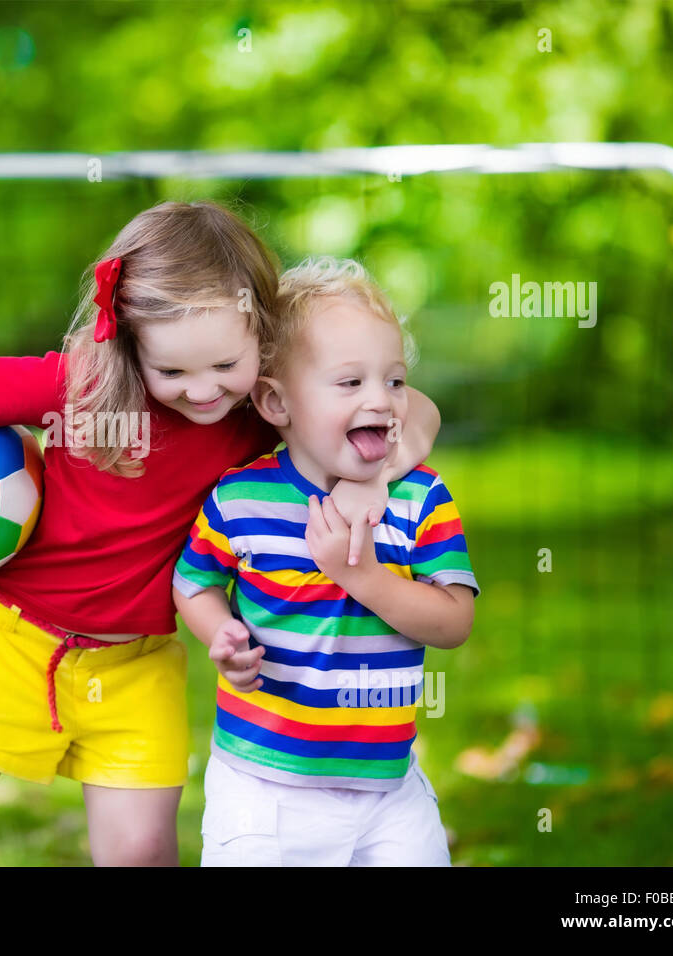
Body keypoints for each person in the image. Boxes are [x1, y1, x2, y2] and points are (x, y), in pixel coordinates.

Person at [0, 204, 441, 866]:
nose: (203, 390)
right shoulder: (80, 386)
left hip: (137, 668)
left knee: (140, 854)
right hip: (5, 643)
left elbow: (417, 410)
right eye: (175, 372)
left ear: (261, 338)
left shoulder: (259, 414)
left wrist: (371, 475)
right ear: (131, 343)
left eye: (224, 365)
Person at [174, 255, 478, 866]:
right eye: (350, 382)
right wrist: (222, 634)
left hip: (389, 790)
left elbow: (453, 623)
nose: (383, 400)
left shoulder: (419, 497)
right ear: (277, 404)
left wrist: (359, 576)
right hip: (263, 787)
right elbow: (194, 583)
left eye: (394, 381)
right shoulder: (240, 499)